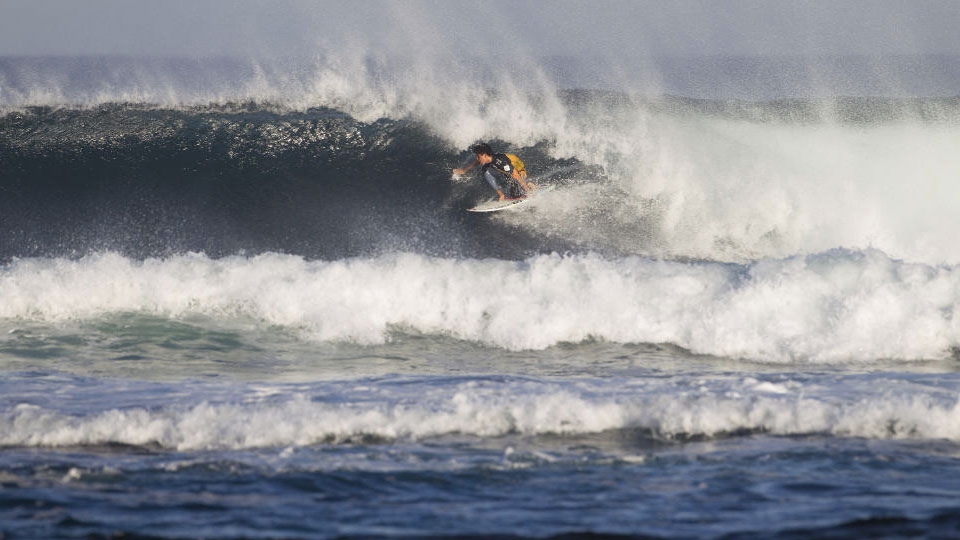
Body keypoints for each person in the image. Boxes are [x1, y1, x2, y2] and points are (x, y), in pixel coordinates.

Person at [453, 143, 536, 201]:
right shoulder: (487, 160)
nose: (477, 159)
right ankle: (501, 194)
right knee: (485, 171)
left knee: (516, 184)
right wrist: (463, 170)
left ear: (484, 155)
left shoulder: (500, 162)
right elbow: (476, 162)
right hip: (507, 170)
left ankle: (528, 186)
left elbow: (516, 174)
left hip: (518, 167)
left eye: (478, 156)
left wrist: (528, 193)